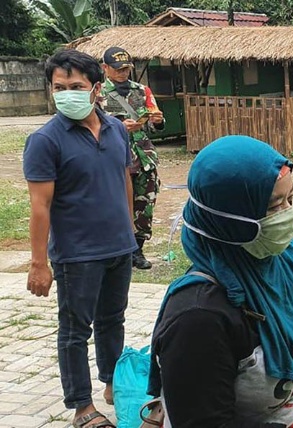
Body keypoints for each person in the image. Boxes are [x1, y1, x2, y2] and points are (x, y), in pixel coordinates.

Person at [148, 136, 293, 427]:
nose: (288, 214)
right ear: (230, 217)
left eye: (290, 199)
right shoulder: (198, 319)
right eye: (274, 205)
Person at [23, 49, 136, 428]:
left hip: (119, 246)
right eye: (59, 87)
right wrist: (39, 263)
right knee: (74, 331)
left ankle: (111, 383)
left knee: (113, 320)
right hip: (77, 255)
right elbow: (40, 206)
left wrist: (131, 230)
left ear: (96, 88)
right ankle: (82, 406)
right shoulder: (45, 140)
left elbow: (124, 179)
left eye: (76, 86)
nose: (66, 93)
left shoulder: (117, 129)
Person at [99, 47, 164, 270]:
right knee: (115, 202)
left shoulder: (142, 91)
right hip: (113, 155)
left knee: (145, 202)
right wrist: (117, 127)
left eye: (127, 68)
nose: (123, 72)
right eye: (118, 69)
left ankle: (137, 250)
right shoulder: (97, 95)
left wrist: (157, 121)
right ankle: (118, 249)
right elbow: (90, 128)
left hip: (143, 155)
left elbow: (157, 124)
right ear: (105, 68)